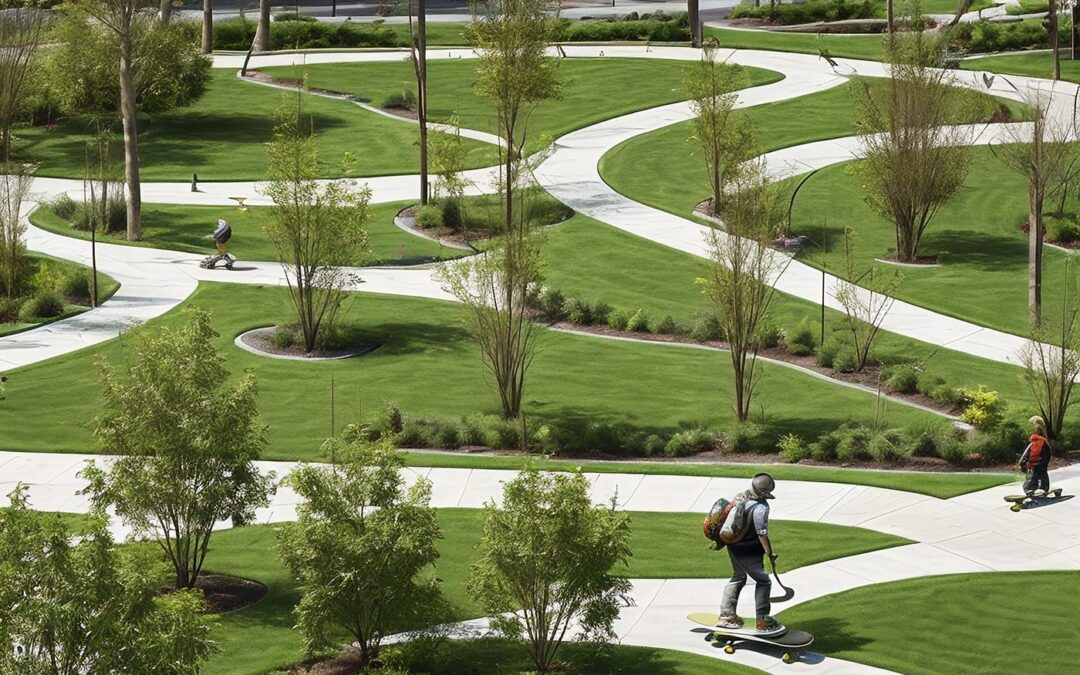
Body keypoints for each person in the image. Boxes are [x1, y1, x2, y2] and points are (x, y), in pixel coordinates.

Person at [715, 472, 785, 636]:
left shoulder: (742, 498)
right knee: (764, 581)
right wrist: (770, 552)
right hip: (748, 549)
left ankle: (726, 616)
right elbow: (762, 533)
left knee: (738, 577)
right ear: (765, 493)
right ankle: (762, 620)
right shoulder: (761, 508)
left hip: (732, 544)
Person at [1019, 415, 1051, 497]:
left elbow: (1023, 458)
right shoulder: (1044, 442)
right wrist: (1044, 463)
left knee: (1030, 479)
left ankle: (1029, 490)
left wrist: (1023, 467)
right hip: (1042, 464)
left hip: (1033, 465)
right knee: (1043, 475)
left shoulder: (1032, 443)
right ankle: (1044, 488)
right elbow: (1048, 454)